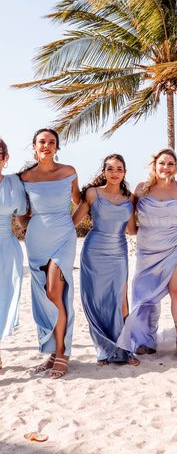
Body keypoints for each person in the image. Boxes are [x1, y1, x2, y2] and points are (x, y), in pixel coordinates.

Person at [117, 149, 177, 360]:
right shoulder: (141, 189)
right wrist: (135, 230)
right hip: (147, 250)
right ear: (154, 165)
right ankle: (144, 341)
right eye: (162, 163)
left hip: (173, 249)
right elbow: (130, 221)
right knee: (144, 297)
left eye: (171, 163)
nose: (166, 167)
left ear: (176, 167)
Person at [19, 128, 81, 378]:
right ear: (34, 146)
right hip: (36, 240)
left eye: (51, 142)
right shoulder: (24, 177)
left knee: (56, 290)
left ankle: (63, 353)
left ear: (57, 147)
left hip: (64, 237)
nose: (47, 145)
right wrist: (28, 227)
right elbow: (21, 211)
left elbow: (81, 202)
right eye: (42, 142)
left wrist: (70, 225)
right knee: (46, 296)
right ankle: (54, 351)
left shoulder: (69, 172)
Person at [73, 154, 139, 365]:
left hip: (118, 252)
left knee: (121, 301)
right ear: (103, 172)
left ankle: (126, 350)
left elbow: (131, 230)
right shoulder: (93, 194)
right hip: (94, 251)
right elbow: (73, 221)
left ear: (124, 173)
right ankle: (104, 348)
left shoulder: (129, 198)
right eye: (110, 169)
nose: (114, 173)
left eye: (119, 169)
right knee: (96, 301)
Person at [0, 138, 28, 370]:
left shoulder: (13, 184)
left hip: (6, 248)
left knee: (2, 298)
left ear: (5, 158)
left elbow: (22, 218)